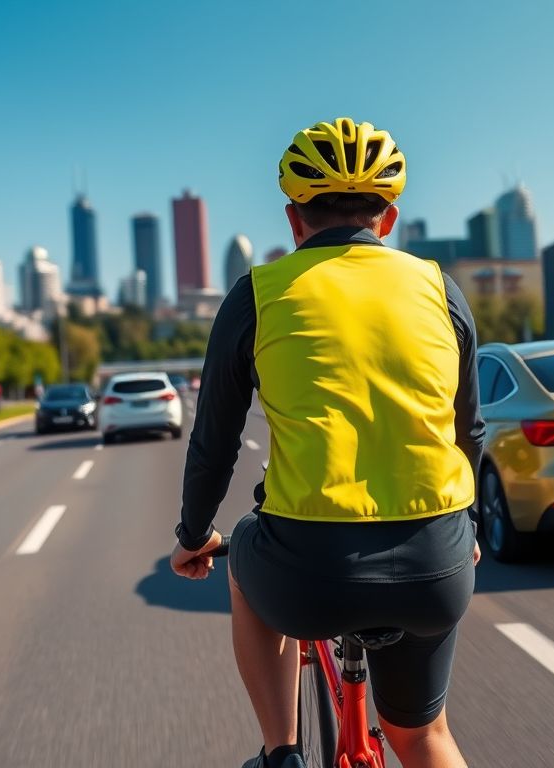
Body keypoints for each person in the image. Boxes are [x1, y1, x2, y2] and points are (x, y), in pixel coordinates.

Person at [170, 118, 484, 768]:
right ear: (389, 218)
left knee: (243, 560)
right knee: (424, 736)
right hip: (436, 563)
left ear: (293, 221)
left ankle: (281, 751)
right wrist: (470, 526)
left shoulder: (259, 294)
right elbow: (467, 429)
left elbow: (215, 441)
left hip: (309, 574)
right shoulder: (439, 290)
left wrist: (194, 533)